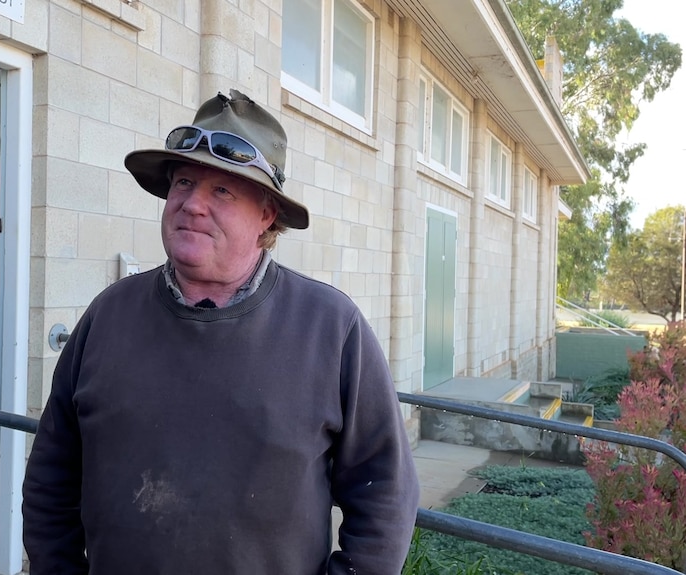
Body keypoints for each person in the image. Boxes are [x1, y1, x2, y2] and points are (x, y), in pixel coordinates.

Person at [22, 89, 420, 574]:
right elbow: (51, 476)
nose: (192, 204)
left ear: (267, 215)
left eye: (223, 191)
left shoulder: (331, 328)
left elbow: (385, 493)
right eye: (184, 182)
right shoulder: (109, 315)